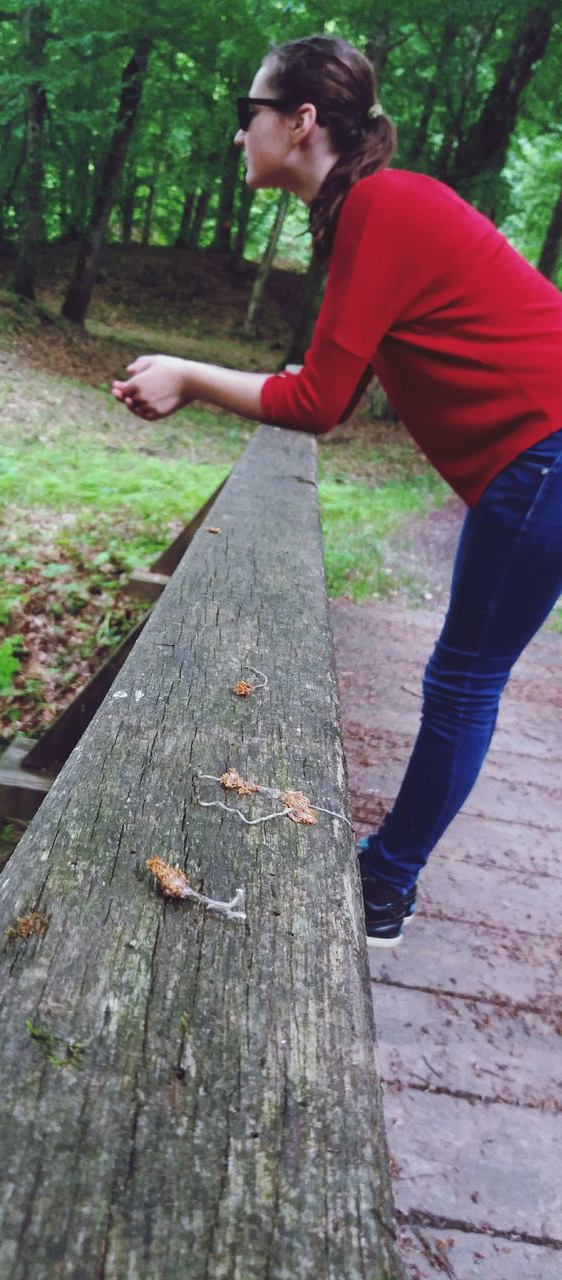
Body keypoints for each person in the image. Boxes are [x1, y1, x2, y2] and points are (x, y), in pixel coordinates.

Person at [112, 34, 562, 947]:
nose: (241, 137)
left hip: (544, 456)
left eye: (251, 115)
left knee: (466, 682)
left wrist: (190, 376)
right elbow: (334, 378)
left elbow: (318, 404)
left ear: (300, 121)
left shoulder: (381, 205)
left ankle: (384, 889)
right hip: (537, 460)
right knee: (467, 678)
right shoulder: (376, 208)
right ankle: (388, 879)